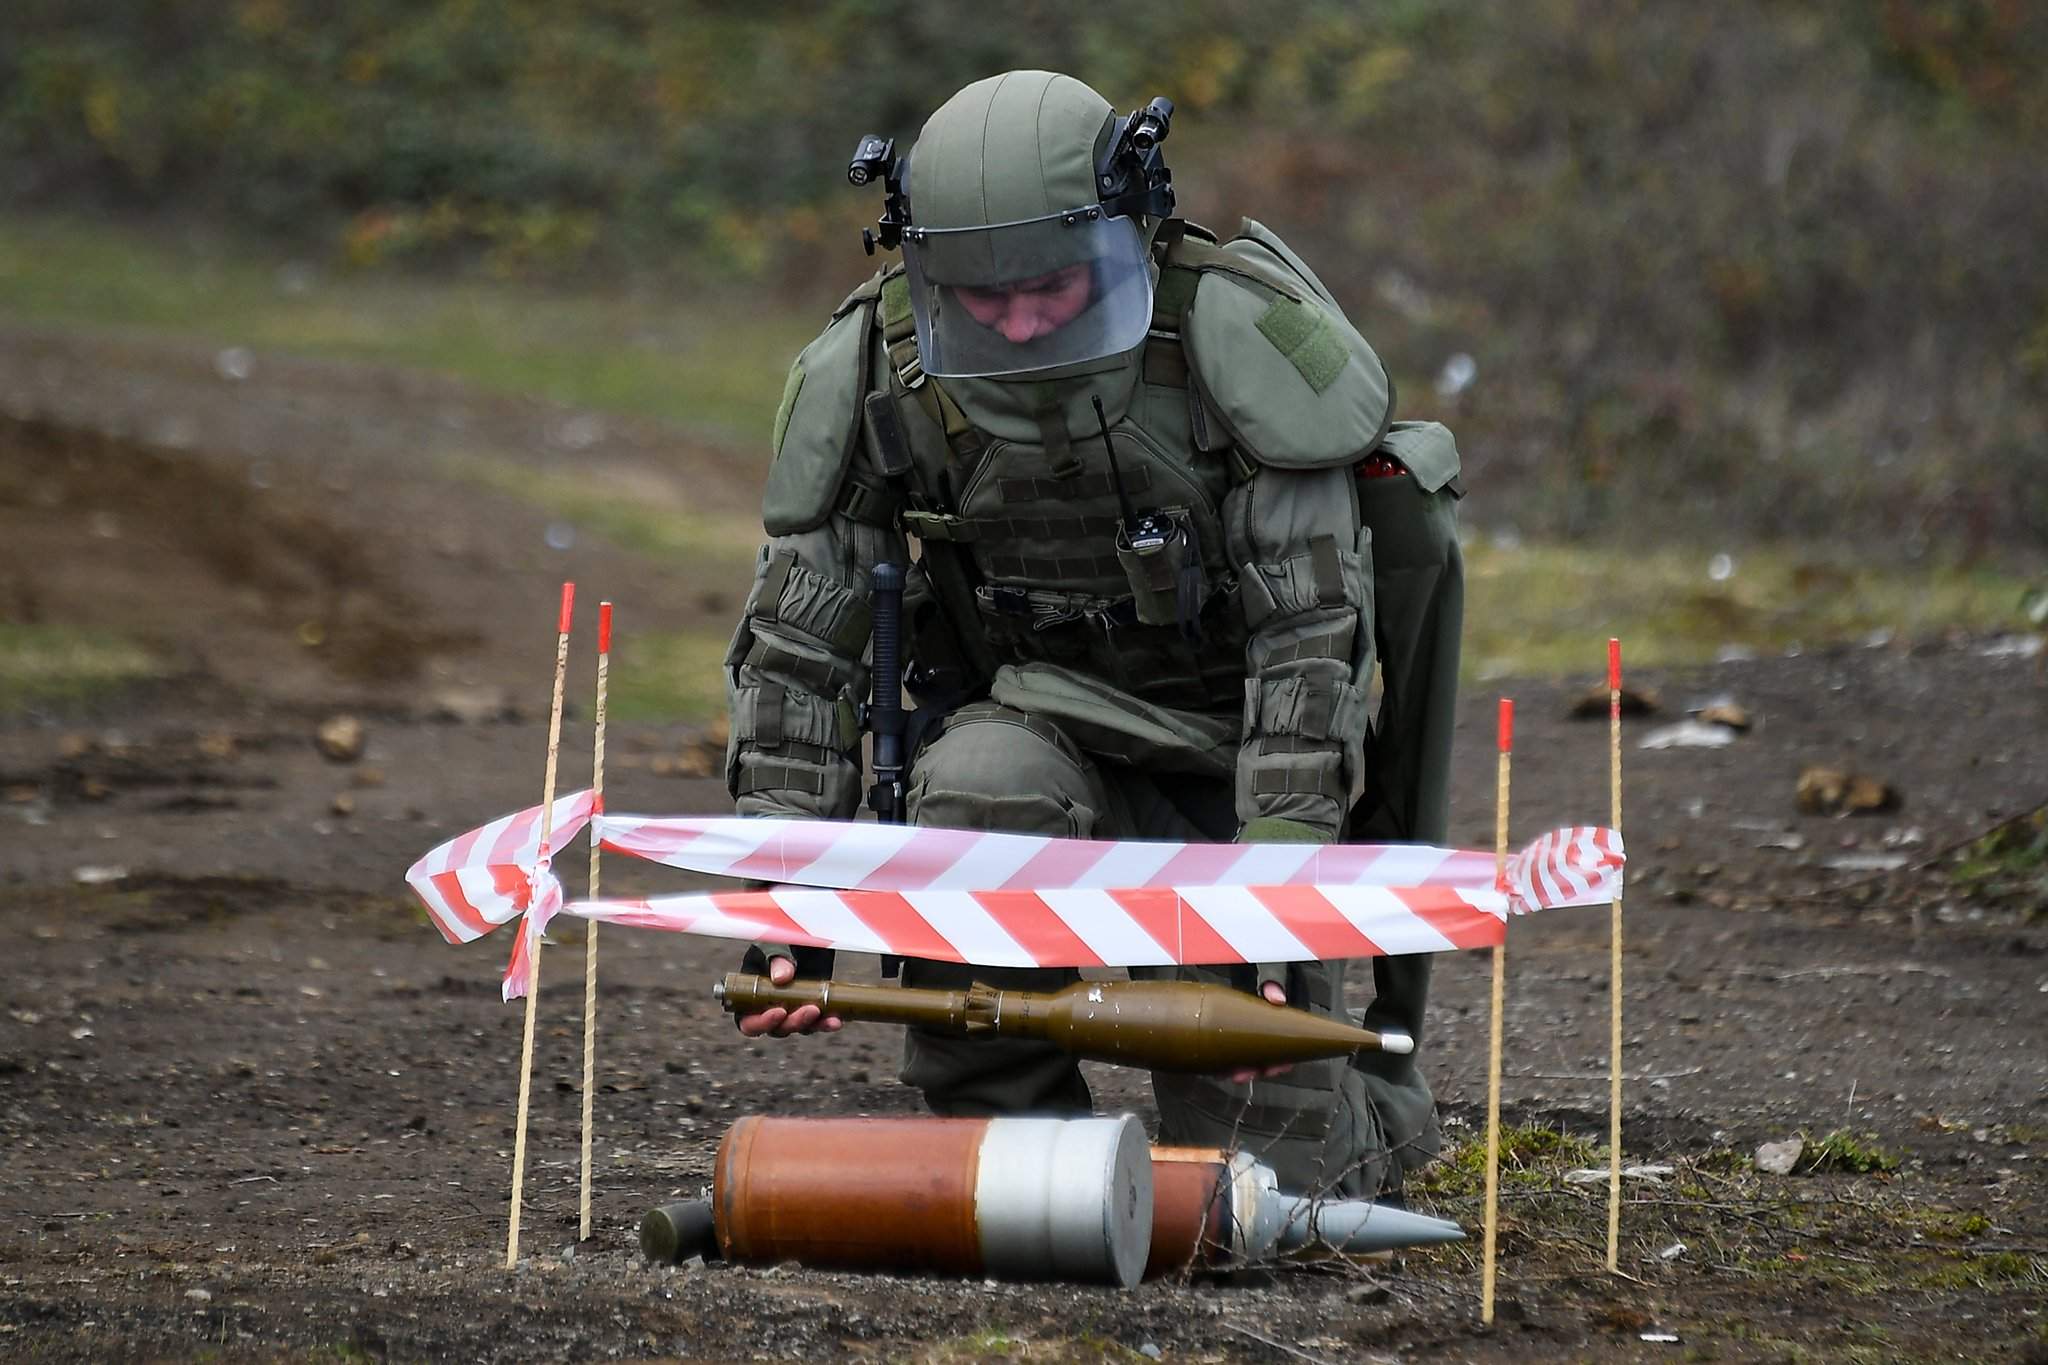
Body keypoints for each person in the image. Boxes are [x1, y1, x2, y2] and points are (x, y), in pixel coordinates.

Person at [721, 70, 1464, 1201]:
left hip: (1238, 775)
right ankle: (1018, 1143)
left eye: (1051, 288)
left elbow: (1308, 652)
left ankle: (1370, 1115)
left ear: (1130, 230)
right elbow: (797, 648)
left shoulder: (1233, 340)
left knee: (1265, 1183)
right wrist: (789, 907)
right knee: (971, 783)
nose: (1016, 322)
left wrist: (1268, 904)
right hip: (1037, 727)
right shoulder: (878, 366)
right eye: (979, 297)